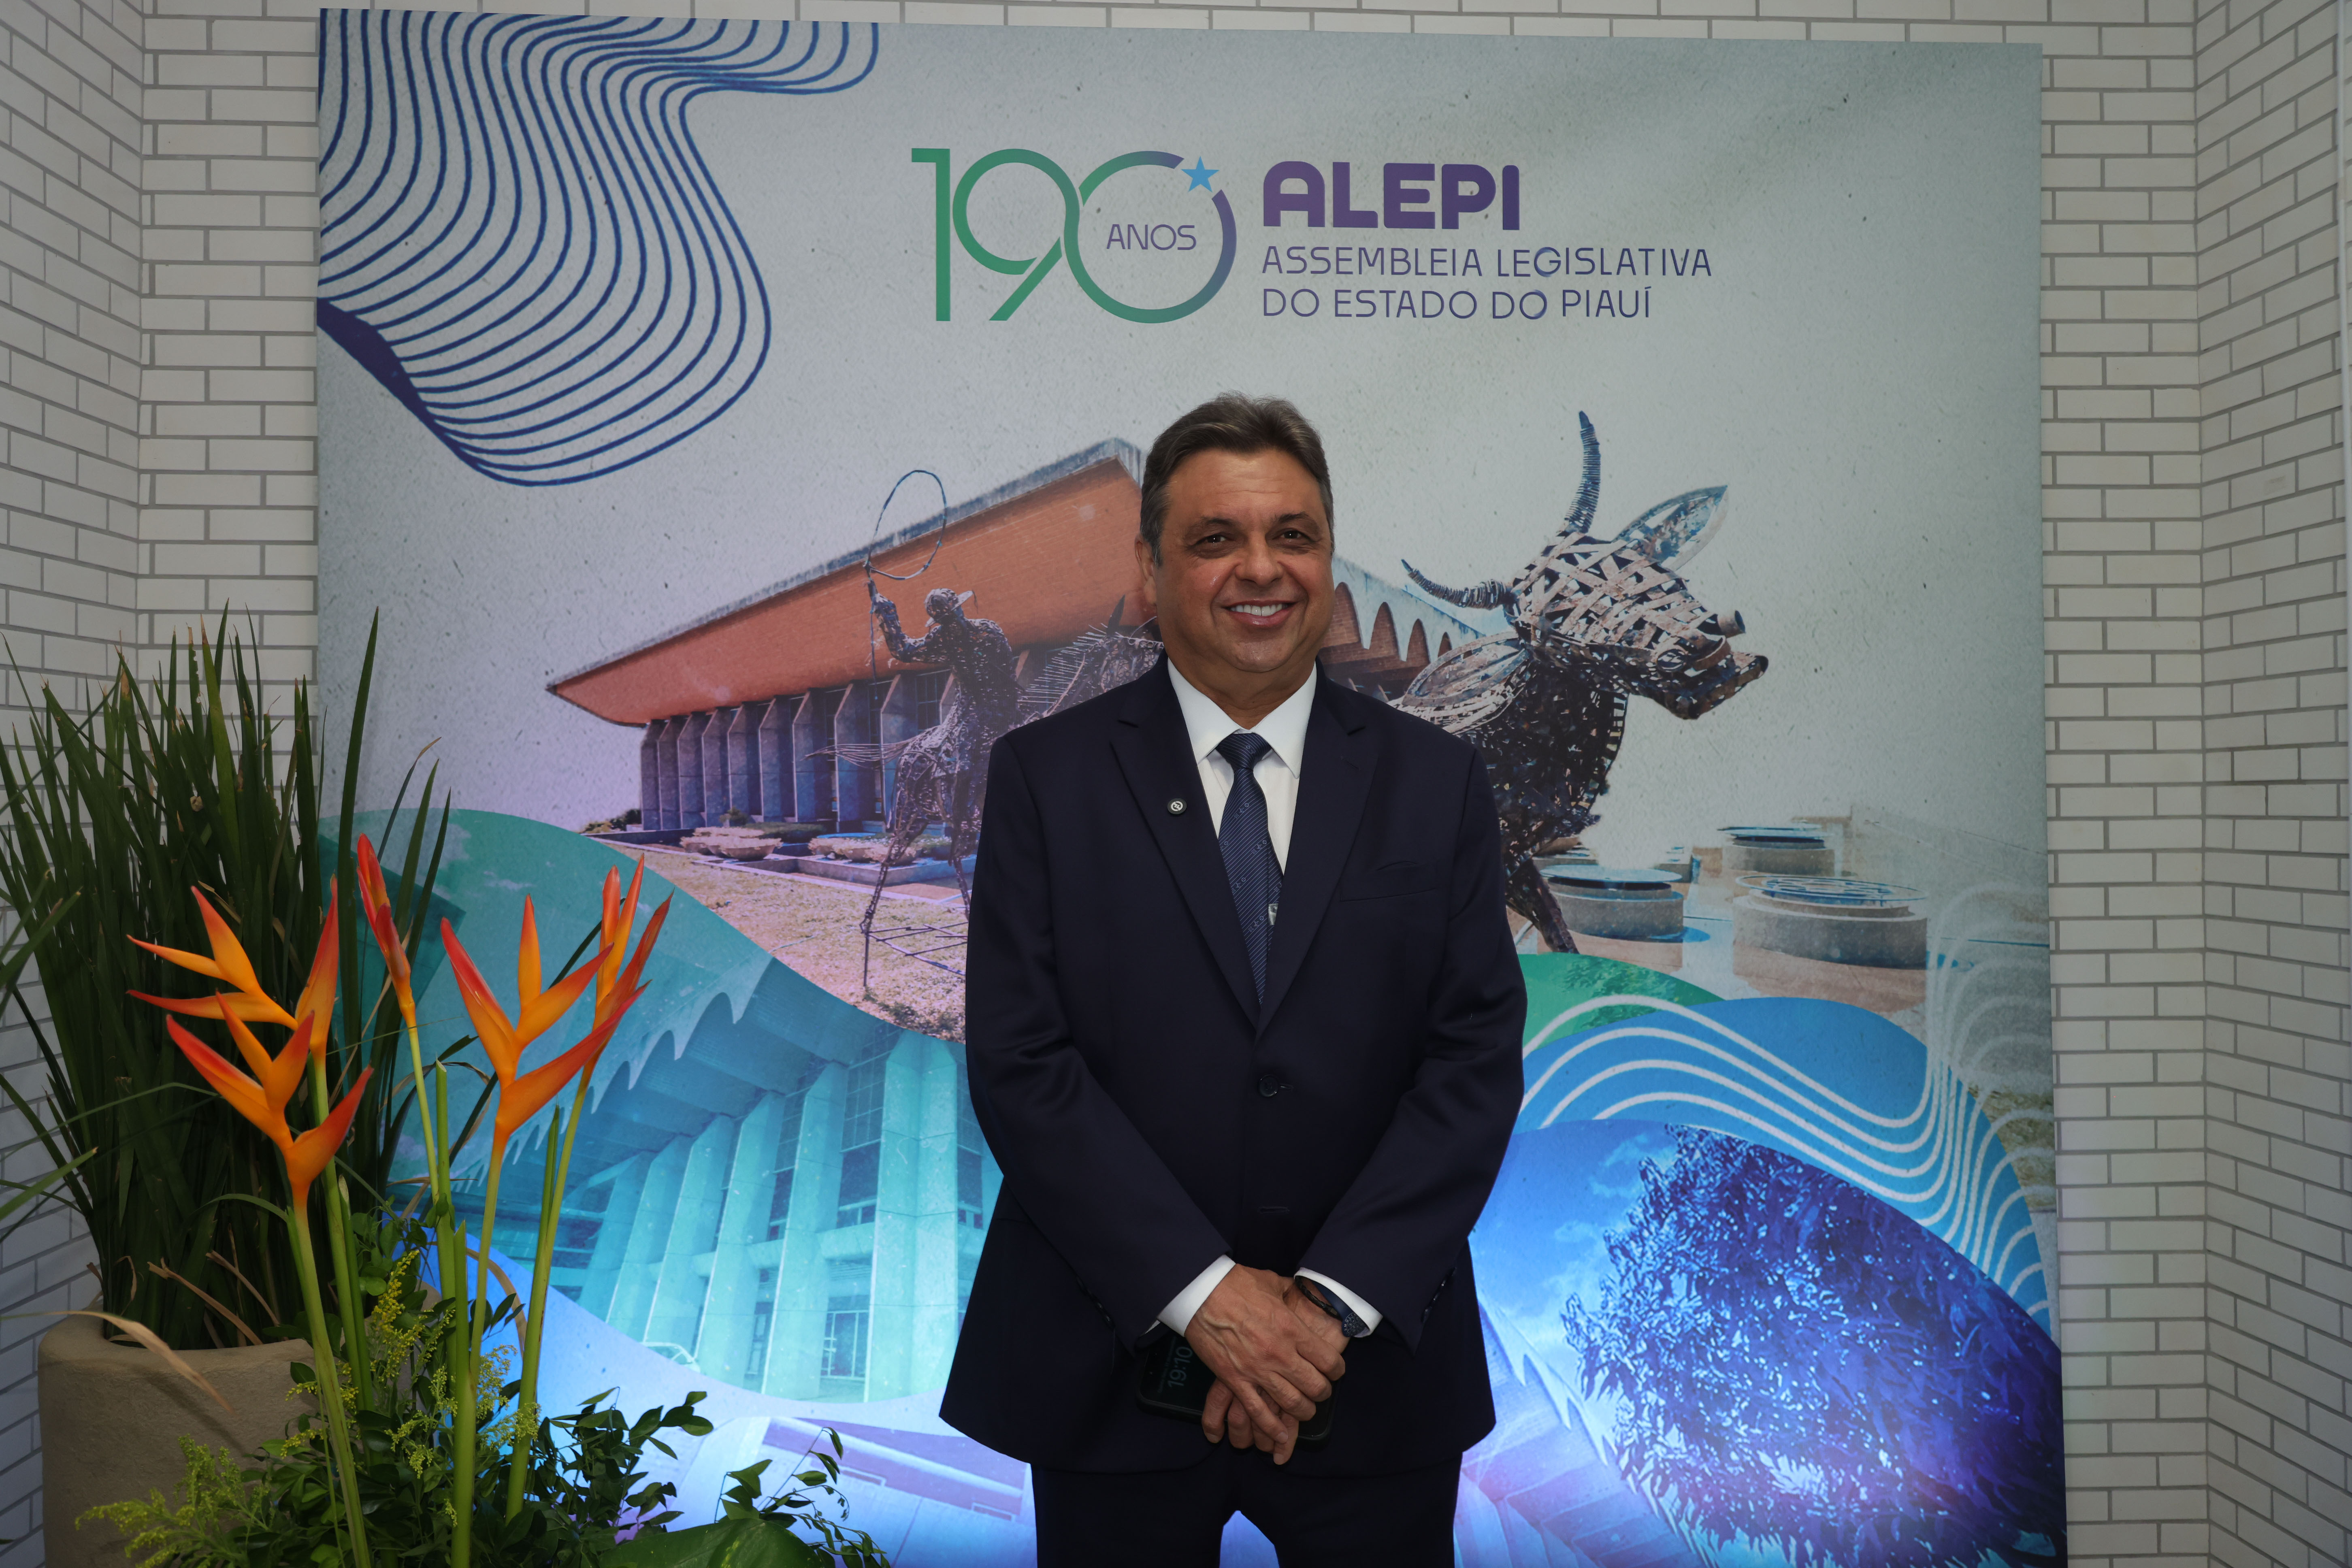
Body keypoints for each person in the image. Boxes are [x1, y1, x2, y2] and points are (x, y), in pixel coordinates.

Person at [941, 394, 1525, 1565]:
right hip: (1109, 1370)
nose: (1261, 568)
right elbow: (1024, 1063)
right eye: (1216, 538)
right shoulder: (1046, 779)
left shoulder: (1438, 782)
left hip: (1367, 1376)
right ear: (1150, 570)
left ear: (1326, 558)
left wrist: (1322, 1310)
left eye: (1292, 535)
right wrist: (1205, 1297)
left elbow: (1471, 1061)